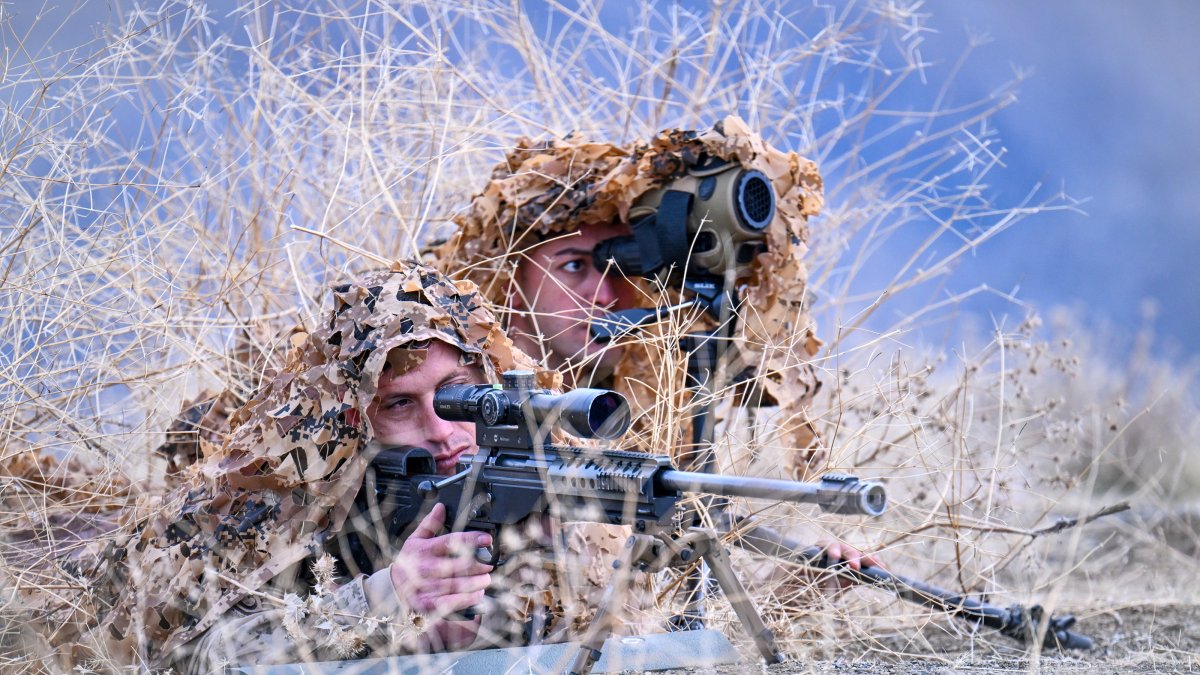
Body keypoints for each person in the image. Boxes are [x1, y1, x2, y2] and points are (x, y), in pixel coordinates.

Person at [432, 118, 883, 589]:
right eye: (573, 267)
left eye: (620, 265)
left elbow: (656, 620)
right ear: (509, 278)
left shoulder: (643, 414)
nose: (606, 293)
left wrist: (788, 596)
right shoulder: (442, 404)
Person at [38, 262, 556, 672]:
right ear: (352, 417)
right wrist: (388, 596)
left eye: (457, 395)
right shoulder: (281, 495)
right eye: (399, 404)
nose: (441, 429)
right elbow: (200, 657)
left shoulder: (541, 489)